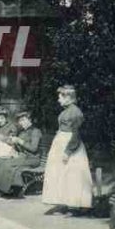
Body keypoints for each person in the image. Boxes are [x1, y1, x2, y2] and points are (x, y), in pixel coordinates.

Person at [42, 85, 93, 213]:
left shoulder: (76, 112)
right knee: (61, 174)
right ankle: (64, 202)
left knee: (72, 174)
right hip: (61, 141)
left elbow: (76, 133)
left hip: (70, 145)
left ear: (68, 97)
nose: (59, 100)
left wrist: (68, 151)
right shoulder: (66, 110)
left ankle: (75, 205)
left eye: (61, 97)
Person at [0, 111, 43, 197]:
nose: (21, 122)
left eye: (24, 120)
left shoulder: (35, 131)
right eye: (20, 121)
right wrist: (13, 149)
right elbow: (17, 146)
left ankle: (3, 191)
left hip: (32, 159)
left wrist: (20, 141)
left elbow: (34, 148)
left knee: (7, 164)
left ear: (30, 120)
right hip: (21, 157)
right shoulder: (22, 132)